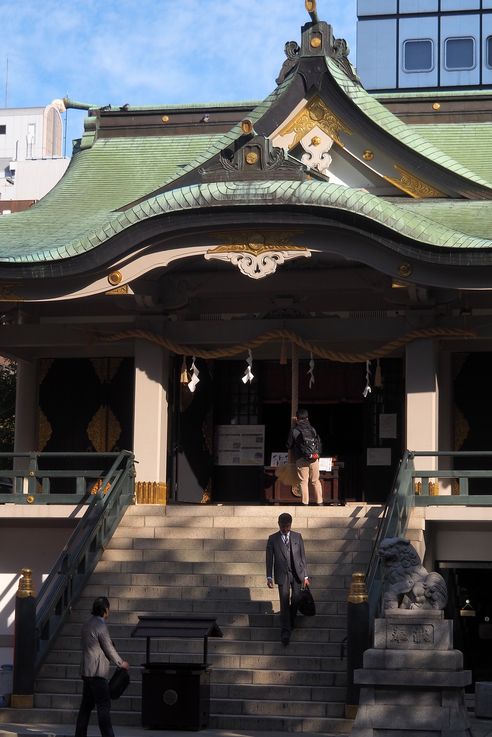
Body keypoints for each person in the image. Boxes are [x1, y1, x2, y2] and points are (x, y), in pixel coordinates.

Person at [74, 596, 129, 737]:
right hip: (98, 673)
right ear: (105, 609)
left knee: (85, 708)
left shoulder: (87, 624)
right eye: (108, 609)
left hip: (87, 672)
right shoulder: (100, 625)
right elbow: (108, 648)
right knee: (103, 707)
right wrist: (120, 663)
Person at [266, 512, 310, 645]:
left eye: (287, 526)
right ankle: (285, 632)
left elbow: (302, 556)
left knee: (296, 598)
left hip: (297, 573)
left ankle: (290, 619)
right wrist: (269, 576)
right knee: (284, 602)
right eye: (283, 526)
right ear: (278, 524)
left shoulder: (297, 536)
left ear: (291, 525)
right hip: (282, 574)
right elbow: (269, 559)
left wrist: (306, 576)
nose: (285, 529)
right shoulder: (272, 538)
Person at [287, 407, 323, 506]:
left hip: (301, 458)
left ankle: (305, 503)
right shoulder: (312, 429)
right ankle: (320, 502)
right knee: (315, 481)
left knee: (303, 481)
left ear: (297, 419)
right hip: (314, 458)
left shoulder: (294, 430)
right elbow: (318, 442)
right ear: (307, 418)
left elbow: (289, 445)